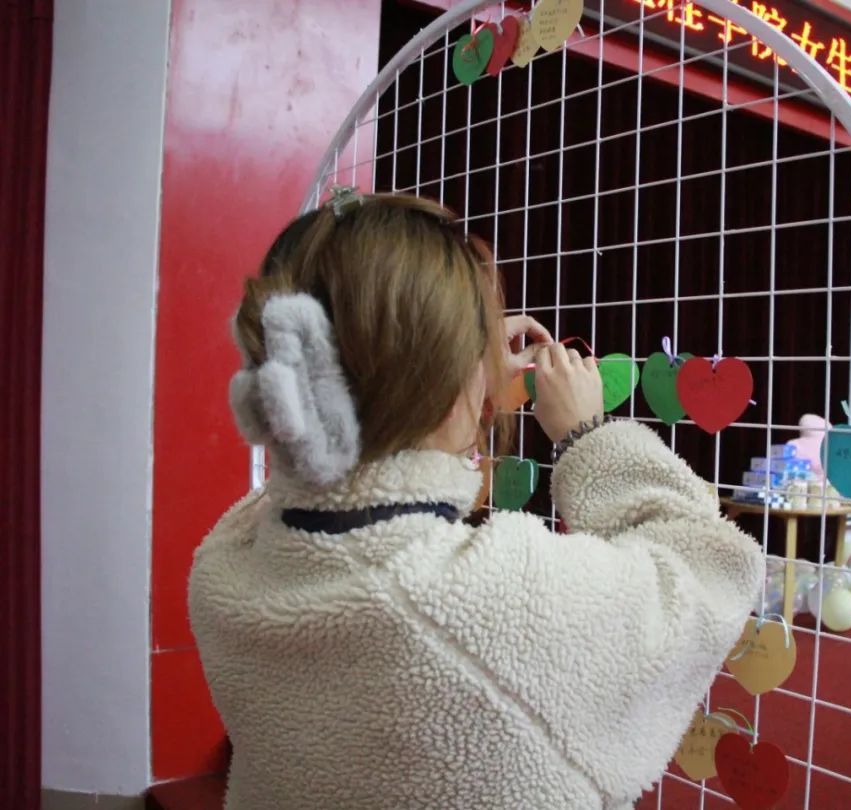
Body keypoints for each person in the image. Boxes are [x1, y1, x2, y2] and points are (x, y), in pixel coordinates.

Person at [188, 190, 764, 810]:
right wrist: (587, 436)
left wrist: (456, 369)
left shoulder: (228, 565)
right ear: (440, 379)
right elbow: (711, 569)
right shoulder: (496, 598)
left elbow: (321, 484)